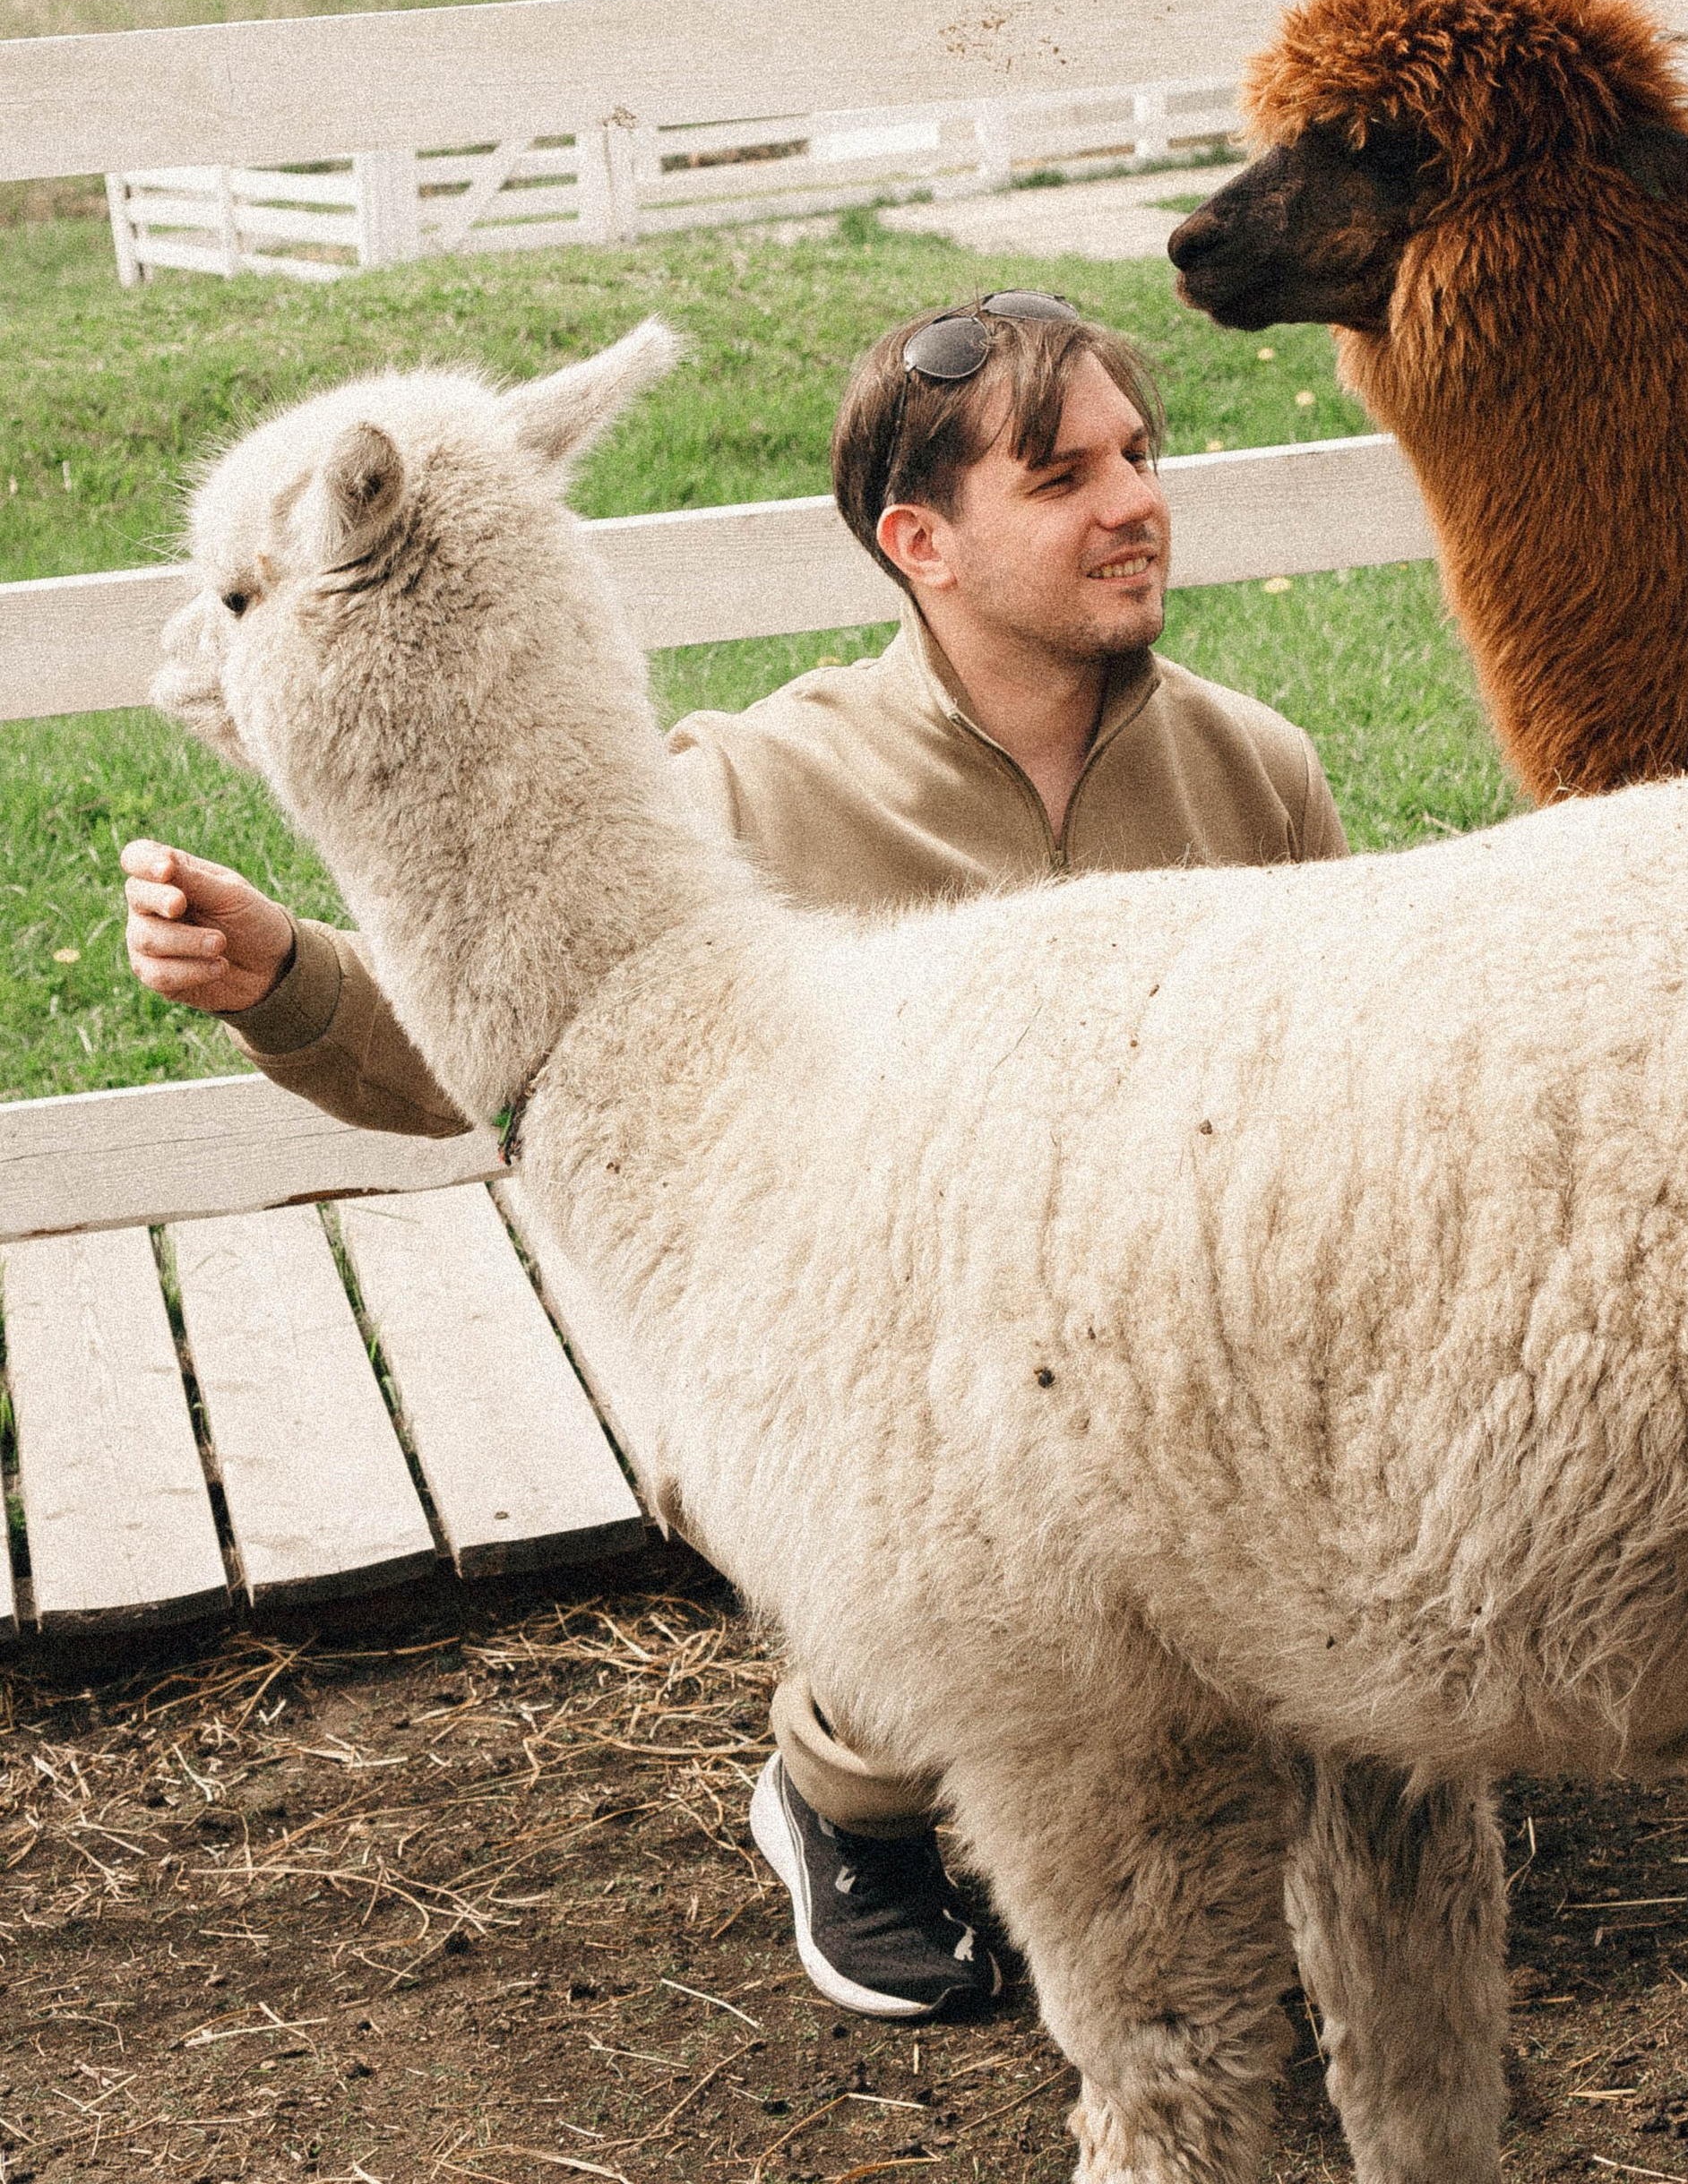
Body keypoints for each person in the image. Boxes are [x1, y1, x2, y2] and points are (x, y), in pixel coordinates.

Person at [124, 289, 1347, 2020]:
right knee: (962, 1475)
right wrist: (290, 983)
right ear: (920, 542)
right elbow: (526, 1049)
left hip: (1182, 1348)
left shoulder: (1252, 774)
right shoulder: (756, 789)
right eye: (1065, 476)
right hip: (888, 1369)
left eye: (1140, 457)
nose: (1136, 502)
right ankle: (854, 1796)